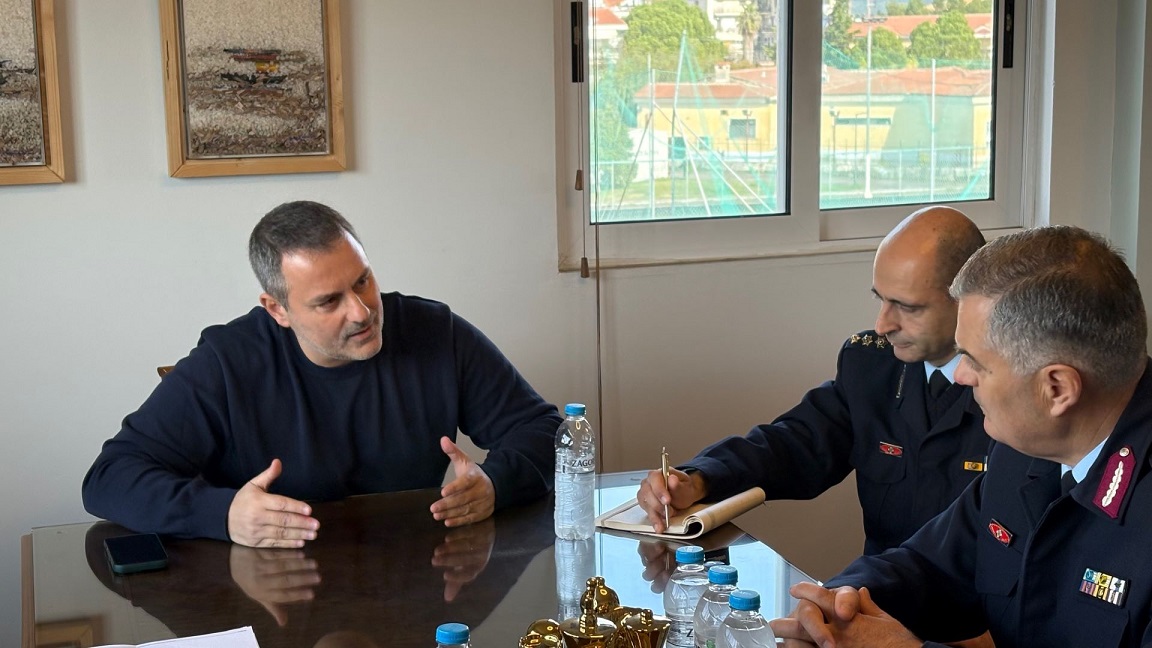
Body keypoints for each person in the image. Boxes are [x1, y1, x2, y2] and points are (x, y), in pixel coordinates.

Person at [82, 201, 562, 548]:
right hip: (269, 593)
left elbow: (546, 430)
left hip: (411, 576)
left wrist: (495, 483)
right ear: (277, 309)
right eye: (329, 301)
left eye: (363, 281)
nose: (361, 312)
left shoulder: (435, 332)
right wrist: (224, 514)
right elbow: (109, 478)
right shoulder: (227, 362)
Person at [772, 225, 1152, 647]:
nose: (960, 376)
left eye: (974, 360)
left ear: (1057, 389)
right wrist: (835, 605)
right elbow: (928, 565)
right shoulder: (1024, 448)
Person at [636, 206, 990, 555]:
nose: (883, 325)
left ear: (969, 301)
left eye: (907, 307)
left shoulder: (1008, 387)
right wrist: (699, 478)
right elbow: (793, 444)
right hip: (880, 585)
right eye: (880, 300)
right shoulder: (872, 365)